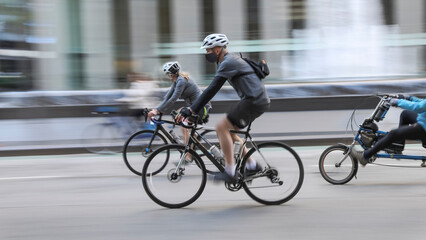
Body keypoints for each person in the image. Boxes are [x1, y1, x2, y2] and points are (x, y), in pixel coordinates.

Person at [176, 33, 270, 183]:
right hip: (256, 100)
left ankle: (230, 172)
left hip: (253, 101)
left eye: (208, 50)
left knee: (221, 128)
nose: (207, 54)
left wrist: (192, 109)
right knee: (229, 131)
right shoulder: (228, 61)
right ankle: (252, 165)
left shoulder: (228, 62)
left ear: (217, 49)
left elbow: (212, 89)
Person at [351, 95, 426, 166]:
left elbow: (419, 107)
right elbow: (423, 102)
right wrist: (409, 98)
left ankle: (365, 156)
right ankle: (398, 146)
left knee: (393, 133)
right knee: (405, 114)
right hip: (423, 119)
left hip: (424, 127)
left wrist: (398, 102)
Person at [148, 61, 210, 144]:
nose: (167, 76)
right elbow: (167, 97)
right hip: (194, 107)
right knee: (176, 114)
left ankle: (188, 155)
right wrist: (157, 109)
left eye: (167, 74)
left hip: (201, 108)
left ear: (170, 74)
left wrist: (157, 111)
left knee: (184, 126)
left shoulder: (181, 81)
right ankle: (194, 136)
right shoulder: (176, 80)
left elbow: (173, 98)